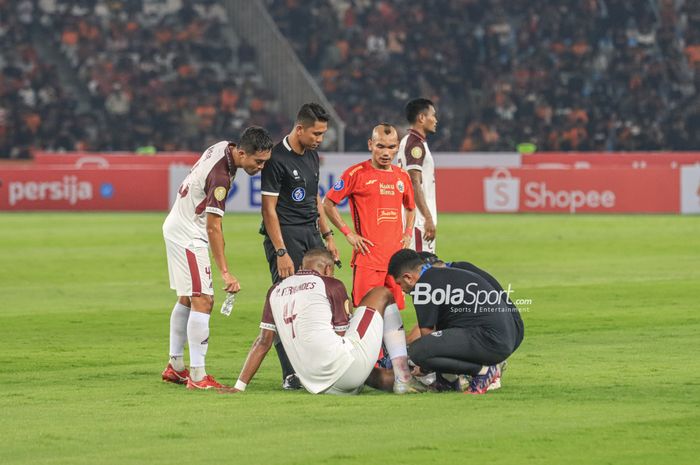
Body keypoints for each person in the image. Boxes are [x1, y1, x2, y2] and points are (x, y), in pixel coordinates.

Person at [221, 249, 425, 395]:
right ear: (327, 269)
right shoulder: (330, 284)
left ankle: (419, 382)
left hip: (315, 385)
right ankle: (405, 376)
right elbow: (343, 334)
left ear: (302, 267)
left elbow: (263, 342)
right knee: (382, 293)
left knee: (372, 373)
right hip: (345, 371)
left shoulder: (275, 291)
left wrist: (239, 386)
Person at [161, 126, 273, 390]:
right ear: (242, 153)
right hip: (189, 234)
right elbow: (213, 227)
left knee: (188, 297)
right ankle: (198, 377)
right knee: (204, 300)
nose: (261, 168)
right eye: (258, 162)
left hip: (178, 225)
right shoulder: (221, 177)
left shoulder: (224, 145)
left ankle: (175, 367)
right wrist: (225, 271)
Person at [260, 102, 339, 390]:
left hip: (310, 234)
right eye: (316, 133)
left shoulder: (312, 155)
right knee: (288, 302)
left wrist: (327, 235)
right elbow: (268, 210)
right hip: (286, 235)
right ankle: (290, 373)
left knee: (321, 297)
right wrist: (280, 251)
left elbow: (315, 197)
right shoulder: (276, 159)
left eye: (323, 134)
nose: (320, 139)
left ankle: (318, 365)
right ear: (300, 128)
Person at [388, 249, 525, 394]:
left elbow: (427, 336)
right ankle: (447, 381)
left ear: (408, 277)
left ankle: (483, 372)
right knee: (438, 338)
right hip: (507, 335)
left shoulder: (423, 287)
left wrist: (423, 367)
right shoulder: (453, 272)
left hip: (491, 339)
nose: (402, 290)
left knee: (418, 352)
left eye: (400, 284)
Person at [323, 123, 415, 307]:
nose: (386, 153)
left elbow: (410, 208)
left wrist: (408, 233)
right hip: (368, 260)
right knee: (366, 313)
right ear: (370, 145)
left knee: (394, 314)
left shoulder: (402, 176)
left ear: (397, 147)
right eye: (380, 146)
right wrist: (348, 233)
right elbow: (328, 203)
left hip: (396, 263)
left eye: (391, 147)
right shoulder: (355, 174)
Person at [397, 98, 438, 253]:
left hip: (415, 217)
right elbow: (414, 182)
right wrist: (427, 217)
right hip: (418, 220)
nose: (435, 120)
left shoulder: (409, 140)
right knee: (421, 268)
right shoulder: (415, 144)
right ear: (422, 118)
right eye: (433, 115)